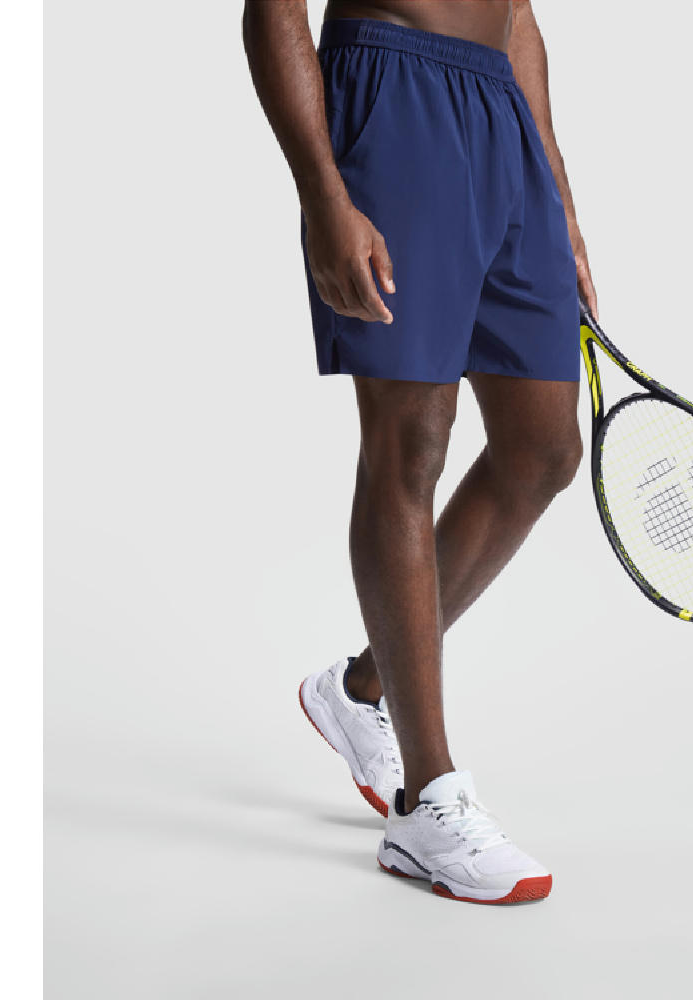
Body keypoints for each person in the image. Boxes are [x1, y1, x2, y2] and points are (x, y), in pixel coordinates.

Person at [244, 0, 597, 904]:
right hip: (393, 89)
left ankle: (361, 686)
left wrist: (556, 195)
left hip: (501, 114)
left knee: (544, 451)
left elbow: (519, 14)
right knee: (412, 445)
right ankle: (426, 800)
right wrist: (325, 196)